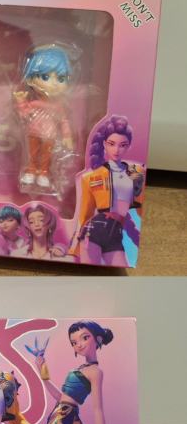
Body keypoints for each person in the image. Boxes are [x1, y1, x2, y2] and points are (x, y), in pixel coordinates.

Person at [28, 321, 113, 424]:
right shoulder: (81, 368)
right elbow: (60, 397)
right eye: (74, 342)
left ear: (98, 338)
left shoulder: (95, 372)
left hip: (66, 418)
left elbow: (98, 410)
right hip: (57, 415)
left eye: (85, 338)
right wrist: (41, 369)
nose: (79, 345)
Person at [69, 115, 144, 266]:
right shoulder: (91, 177)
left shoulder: (135, 172)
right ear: (104, 144)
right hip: (93, 230)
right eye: (111, 144)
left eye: (122, 145)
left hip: (116, 232)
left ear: (128, 146)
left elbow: (139, 208)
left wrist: (138, 236)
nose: (116, 150)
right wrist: (75, 243)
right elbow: (85, 213)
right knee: (89, 274)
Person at [13, 44, 73, 190]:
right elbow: (24, 114)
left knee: (47, 154)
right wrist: (20, 101)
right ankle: (31, 170)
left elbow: (64, 120)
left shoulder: (58, 106)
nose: (53, 84)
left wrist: (67, 136)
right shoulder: (34, 103)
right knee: (32, 153)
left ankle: (44, 172)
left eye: (60, 78)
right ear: (30, 79)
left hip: (50, 135)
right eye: (45, 77)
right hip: (33, 132)